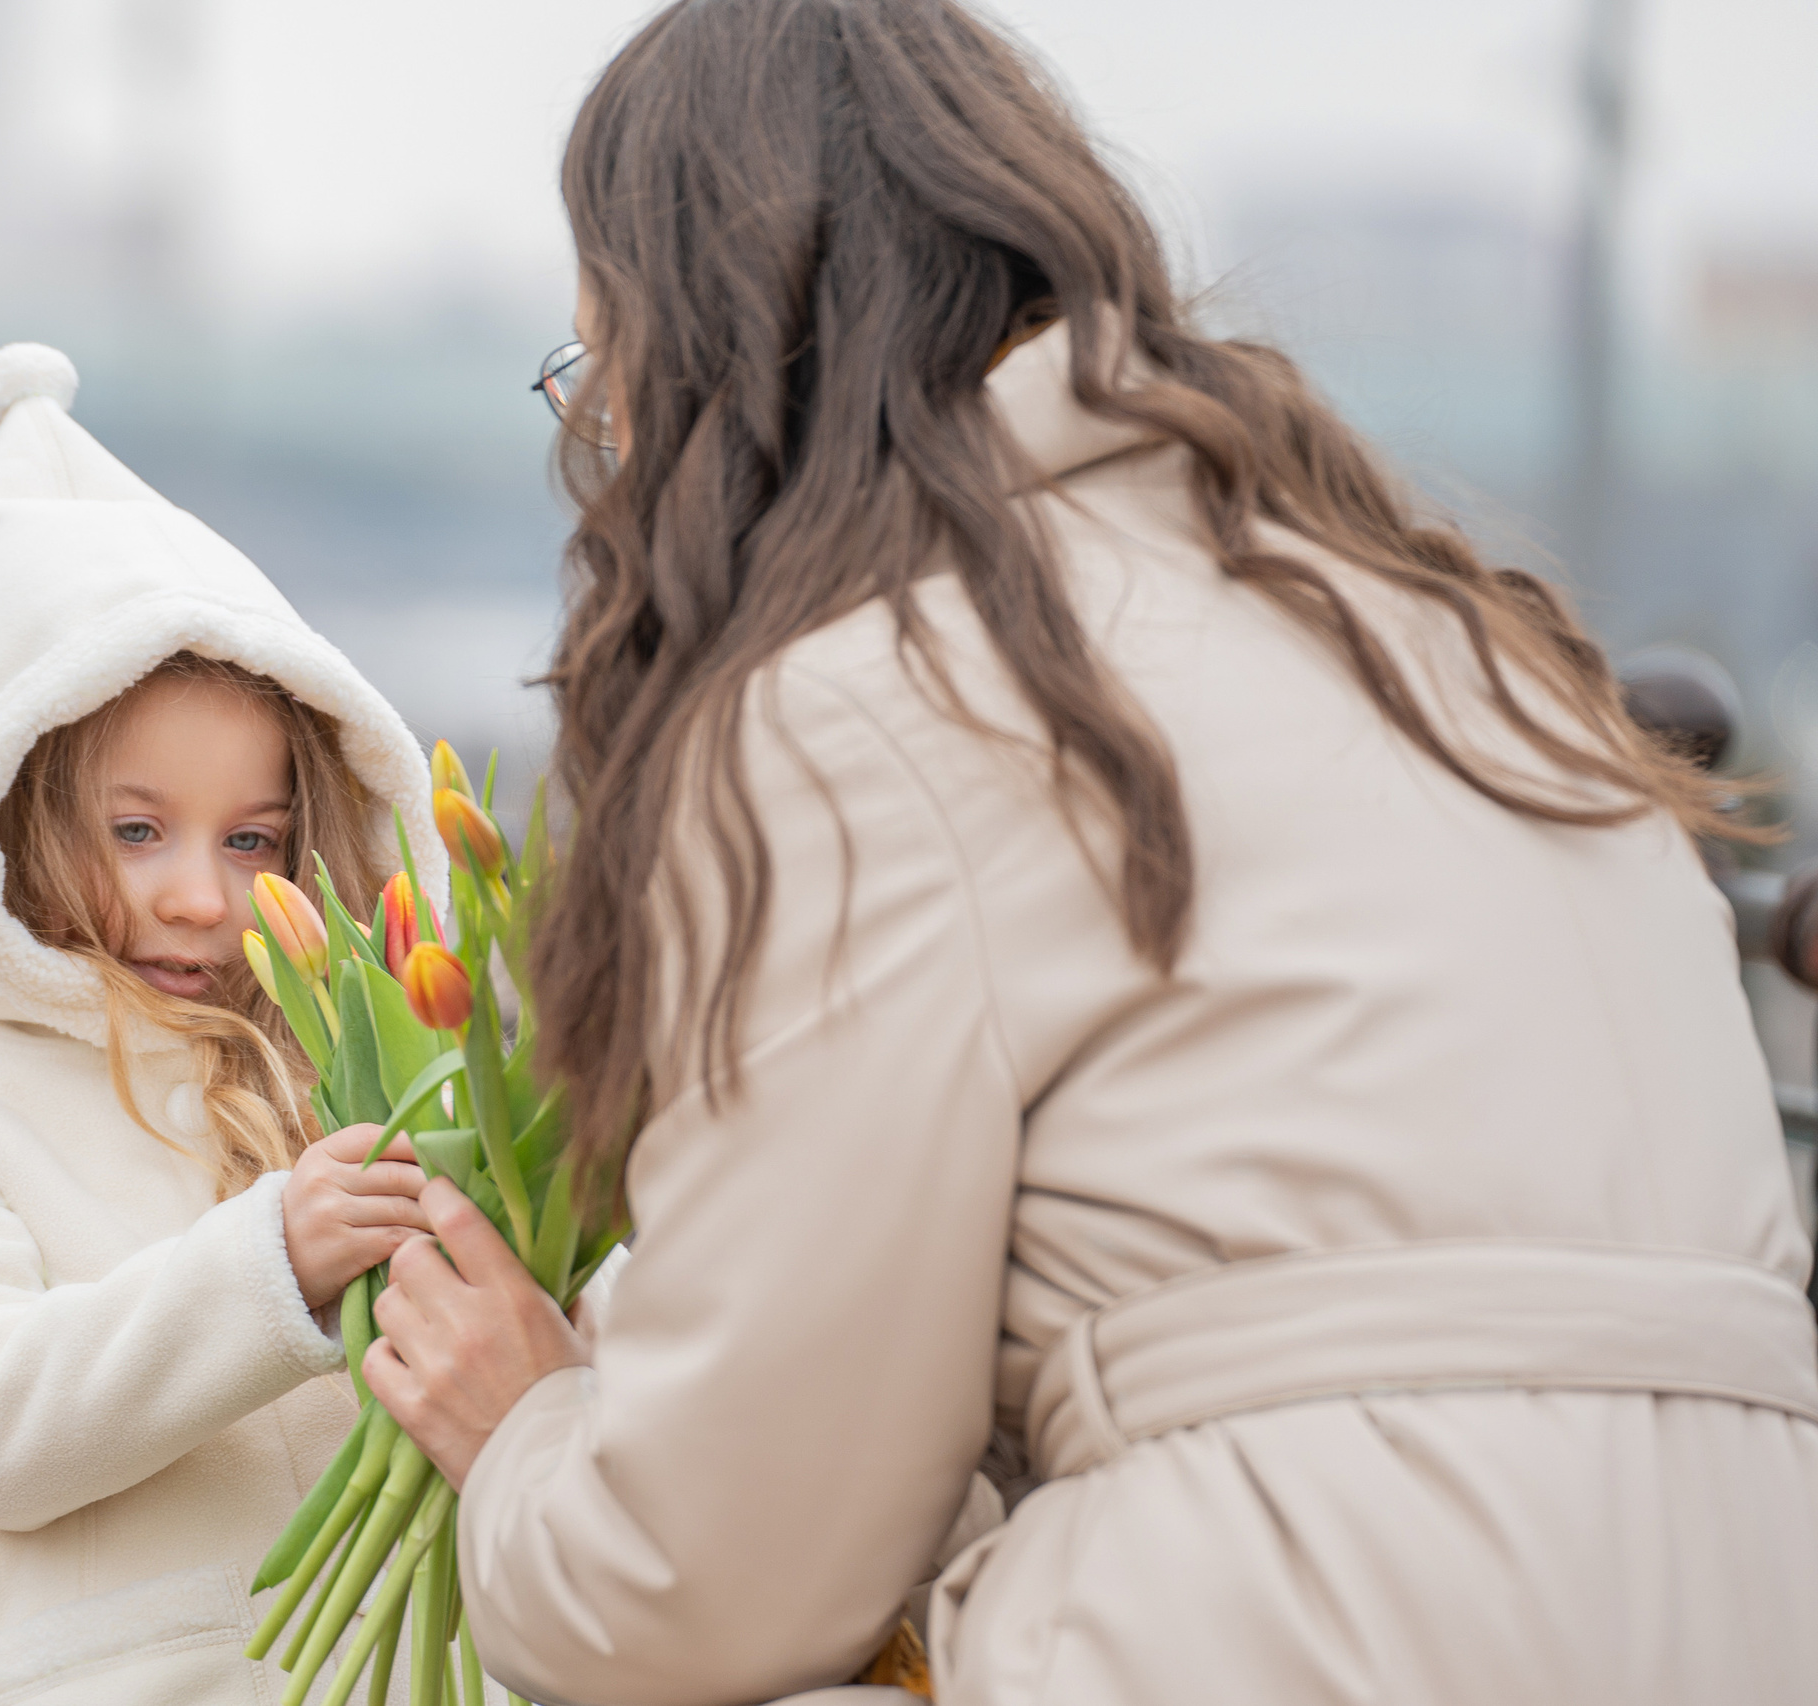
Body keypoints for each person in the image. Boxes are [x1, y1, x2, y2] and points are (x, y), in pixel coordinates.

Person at [360, 3, 1818, 1703]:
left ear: (710, 363)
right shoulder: (1464, 655)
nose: (603, 447)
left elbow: (704, 1586)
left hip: (1324, 1624)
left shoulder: (875, 703)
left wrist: (529, 1427)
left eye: (602, 382)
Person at [0, 344, 446, 1705]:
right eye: (137, 829)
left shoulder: (349, 1078)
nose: (198, 894)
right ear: (7, 817)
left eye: (254, 838)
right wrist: (266, 1266)